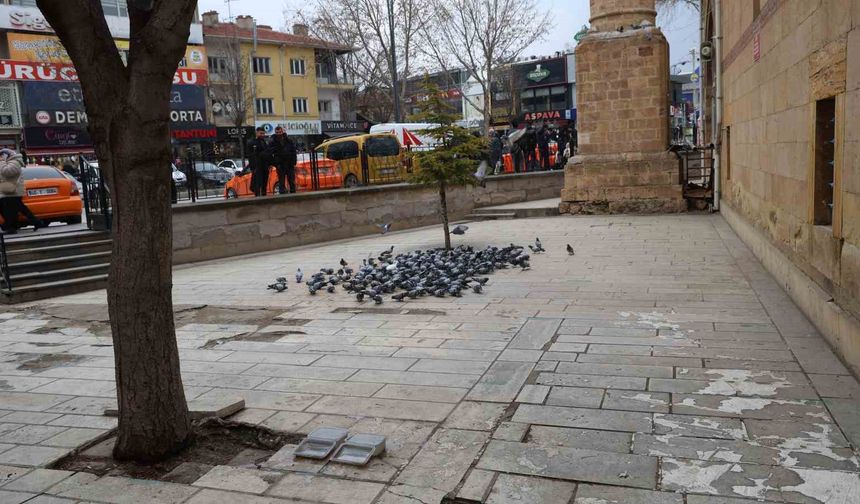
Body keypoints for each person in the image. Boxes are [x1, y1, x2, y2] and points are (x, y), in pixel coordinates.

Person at [0, 148, 42, 234]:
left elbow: (6, 172)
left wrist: (2, 161)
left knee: (10, 210)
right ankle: (35, 222)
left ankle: (10, 227)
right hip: (9, 190)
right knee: (19, 208)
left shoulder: (15, 162)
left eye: (1, 156)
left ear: (6, 155)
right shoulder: (10, 162)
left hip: (12, 191)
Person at [268, 126, 298, 194]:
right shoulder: (273, 142)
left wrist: (294, 162)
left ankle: (293, 195)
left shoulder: (288, 140)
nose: (279, 134)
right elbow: (270, 153)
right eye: (277, 132)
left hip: (289, 164)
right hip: (280, 165)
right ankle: (282, 195)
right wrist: (275, 163)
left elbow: (293, 151)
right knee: (281, 182)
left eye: (280, 132)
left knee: (291, 181)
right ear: (275, 133)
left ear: (282, 131)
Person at [247, 127, 270, 196]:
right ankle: (258, 198)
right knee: (257, 184)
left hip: (265, 166)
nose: (262, 135)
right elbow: (250, 156)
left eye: (263, 133)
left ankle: (264, 196)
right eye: (261, 133)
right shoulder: (251, 142)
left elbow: (267, 152)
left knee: (264, 183)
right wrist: (252, 167)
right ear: (256, 133)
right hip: (257, 166)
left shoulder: (264, 141)